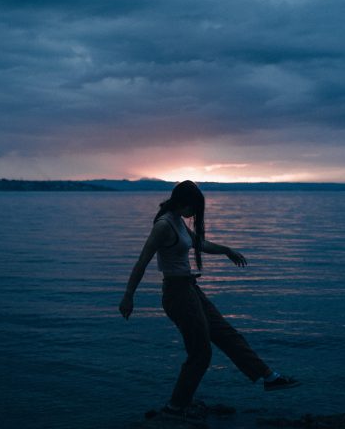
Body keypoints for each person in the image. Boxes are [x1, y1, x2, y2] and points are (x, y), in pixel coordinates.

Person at [119, 180, 299, 419]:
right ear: (182, 202)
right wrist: (128, 296)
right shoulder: (164, 225)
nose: (194, 213)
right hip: (177, 294)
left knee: (226, 334)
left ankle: (269, 377)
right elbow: (142, 261)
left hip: (191, 289)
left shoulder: (178, 222)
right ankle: (176, 406)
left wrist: (227, 250)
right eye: (193, 207)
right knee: (200, 353)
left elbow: (199, 243)